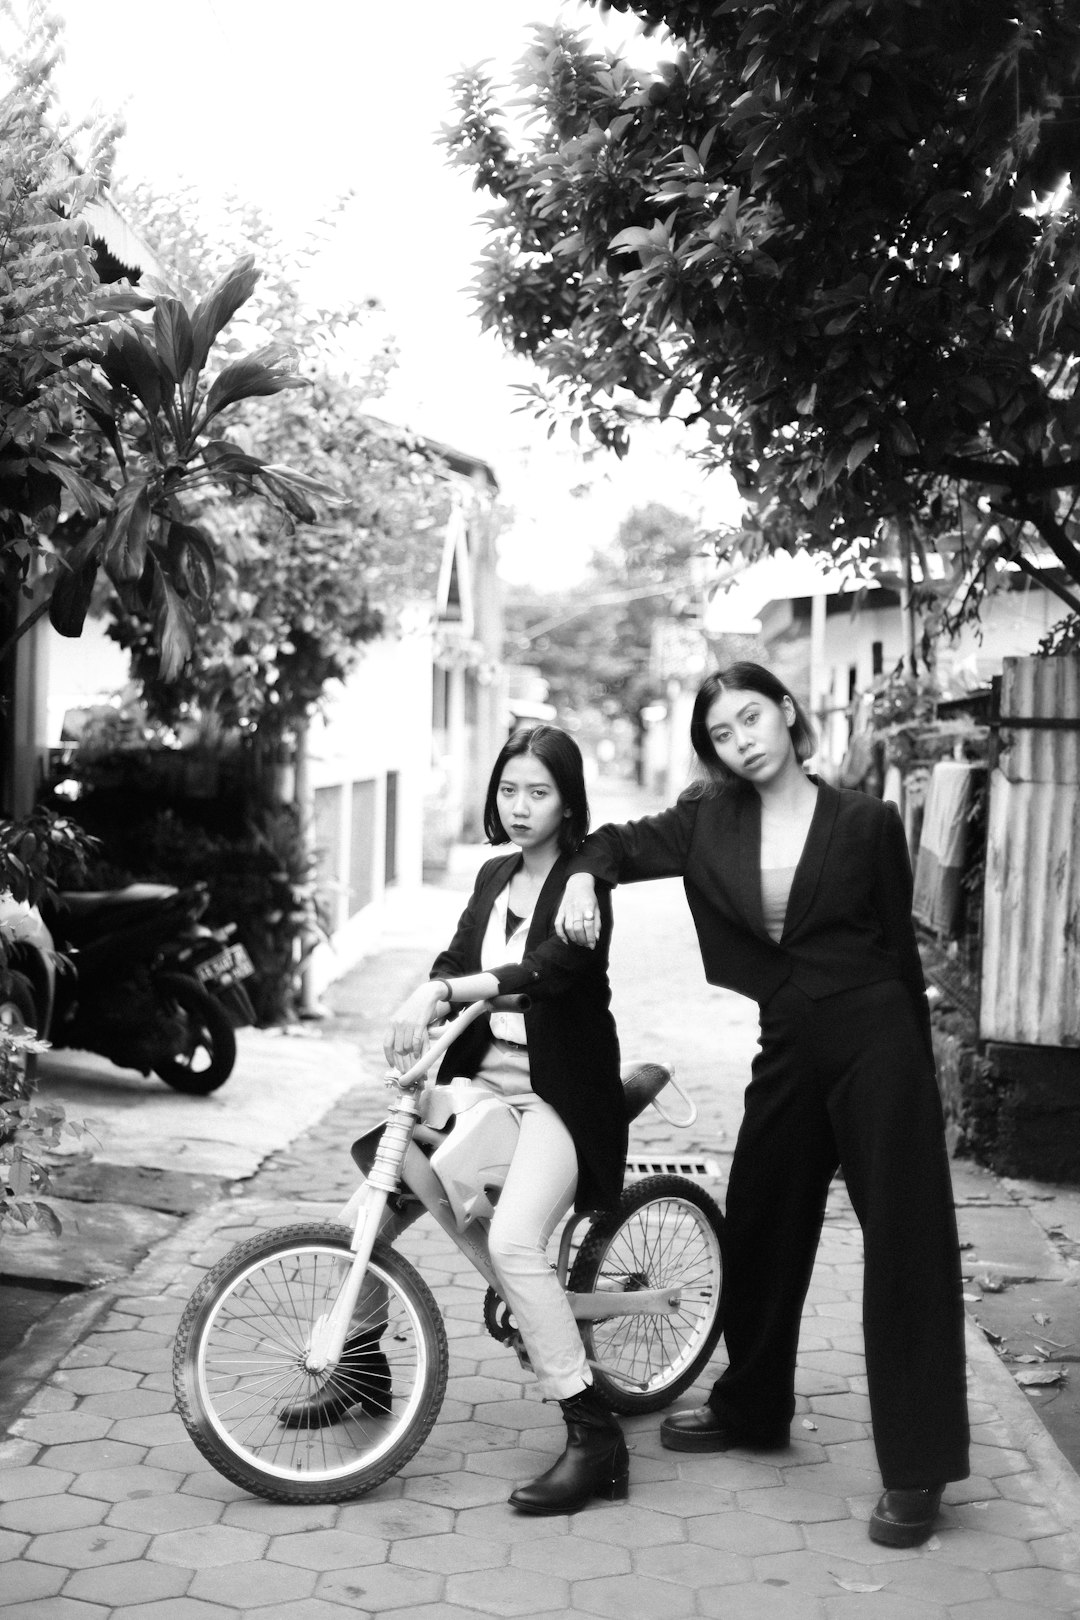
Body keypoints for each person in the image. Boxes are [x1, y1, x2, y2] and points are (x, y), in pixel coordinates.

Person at [555, 663, 970, 1548]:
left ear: (788, 710)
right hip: (787, 1042)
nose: (742, 739)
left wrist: (917, 1078)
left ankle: (919, 1465)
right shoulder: (709, 819)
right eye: (722, 733)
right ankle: (753, 1408)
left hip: (875, 1040)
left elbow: (900, 952)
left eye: (752, 717)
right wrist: (587, 879)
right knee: (762, 1221)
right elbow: (616, 844)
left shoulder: (867, 820)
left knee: (904, 1241)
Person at [386, 723, 629, 1515]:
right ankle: (358, 1366)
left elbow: (547, 972)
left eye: (539, 792)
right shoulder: (493, 874)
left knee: (516, 1242)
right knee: (381, 1191)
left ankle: (595, 1437)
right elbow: (457, 961)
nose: (520, 807)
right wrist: (426, 996)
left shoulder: (587, 887)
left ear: (567, 803)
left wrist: (450, 993)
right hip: (482, 1083)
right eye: (509, 790)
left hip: (558, 1096)